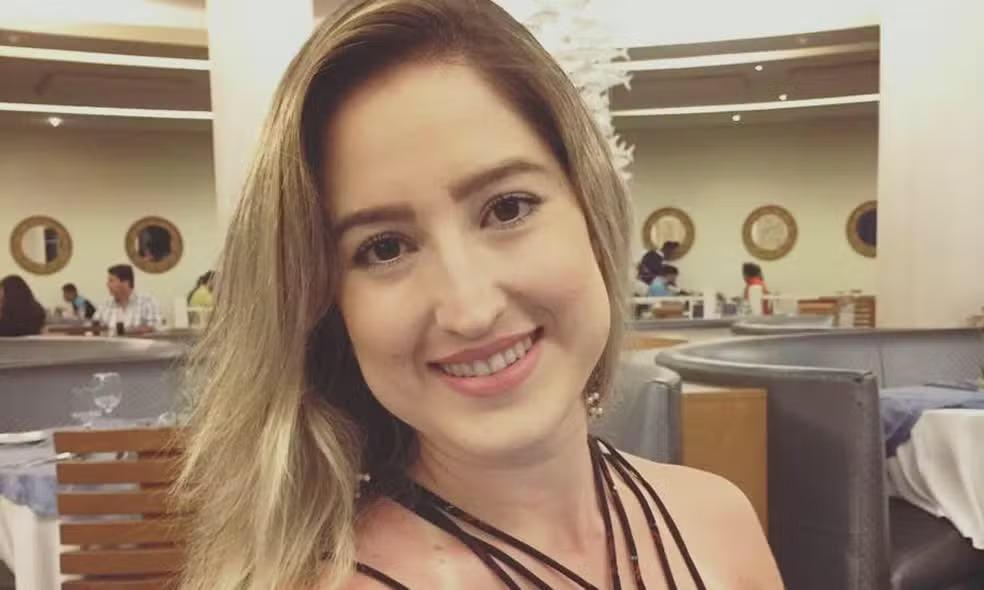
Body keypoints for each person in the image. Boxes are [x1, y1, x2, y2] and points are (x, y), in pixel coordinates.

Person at [175, 2, 782, 589]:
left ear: (591, 209)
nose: (470, 310)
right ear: (330, 310)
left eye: (508, 208)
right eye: (385, 248)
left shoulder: (718, 523)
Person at [93, 264, 161, 335]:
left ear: (126, 283)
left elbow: (155, 328)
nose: (107, 284)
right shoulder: (104, 306)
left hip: (137, 342)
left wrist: (124, 331)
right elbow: (94, 329)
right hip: (107, 342)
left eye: (111, 281)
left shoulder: (147, 302)